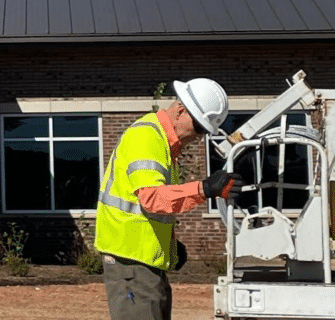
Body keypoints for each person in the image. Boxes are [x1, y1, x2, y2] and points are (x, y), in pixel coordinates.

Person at [94, 78, 244, 320]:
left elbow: (153, 210)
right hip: (131, 262)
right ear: (180, 111)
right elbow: (152, 198)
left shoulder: (164, 145)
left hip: (142, 262)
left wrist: (171, 247)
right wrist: (204, 188)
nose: (199, 137)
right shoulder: (146, 137)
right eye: (199, 127)